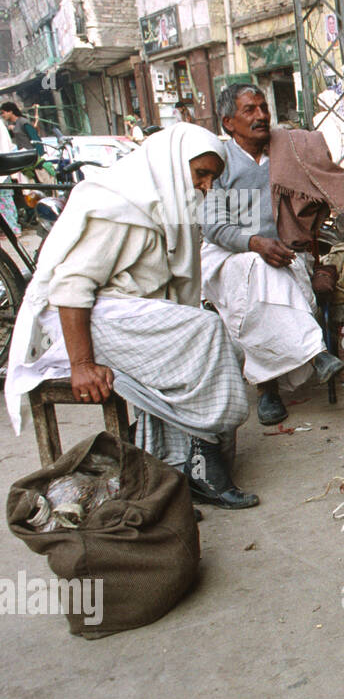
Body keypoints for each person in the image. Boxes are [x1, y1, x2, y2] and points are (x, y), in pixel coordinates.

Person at [5, 124, 259, 509]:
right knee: (205, 332)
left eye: (212, 178)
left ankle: (175, 469)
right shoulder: (121, 207)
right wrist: (83, 364)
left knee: (225, 347)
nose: (206, 186)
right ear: (173, 166)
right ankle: (201, 461)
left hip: (127, 312)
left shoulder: (167, 206)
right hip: (90, 318)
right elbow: (72, 288)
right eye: (200, 174)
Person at [201, 83, 344, 427]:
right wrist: (255, 243)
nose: (261, 116)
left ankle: (279, 379)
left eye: (264, 107)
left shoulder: (291, 149)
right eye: (250, 110)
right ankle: (296, 365)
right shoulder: (218, 163)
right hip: (230, 256)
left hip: (287, 255)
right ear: (228, 122)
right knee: (256, 268)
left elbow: (337, 183)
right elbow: (214, 227)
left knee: (269, 273)